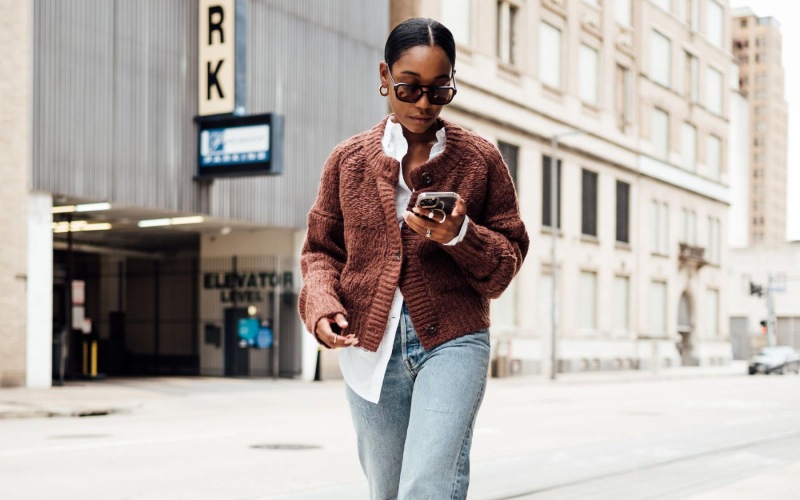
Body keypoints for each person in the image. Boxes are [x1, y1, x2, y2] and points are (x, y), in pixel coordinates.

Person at [298, 17, 529, 499]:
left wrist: (459, 234)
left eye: (439, 90)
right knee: (386, 490)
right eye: (409, 88)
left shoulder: (480, 159)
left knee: (427, 486)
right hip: (369, 347)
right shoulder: (347, 161)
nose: (424, 103)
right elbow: (321, 251)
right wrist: (321, 305)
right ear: (384, 77)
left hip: (454, 340)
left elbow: (506, 261)